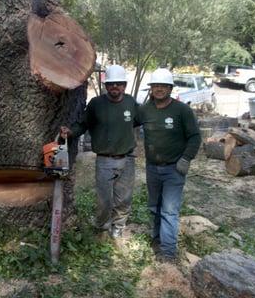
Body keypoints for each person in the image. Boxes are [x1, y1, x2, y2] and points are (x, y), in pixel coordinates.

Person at [61, 64, 138, 238]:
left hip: (127, 158)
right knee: (104, 199)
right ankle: (102, 225)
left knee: (123, 198)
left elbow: (139, 120)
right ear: (106, 86)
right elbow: (83, 124)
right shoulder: (96, 104)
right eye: (111, 84)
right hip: (104, 160)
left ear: (124, 85)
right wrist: (71, 132)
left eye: (119, 83)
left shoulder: (131, 102)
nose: (115, 87)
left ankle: (118, 226)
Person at [137, 68, 201, 262]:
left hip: (174, 169)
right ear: (151, 88)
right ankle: (156, 240)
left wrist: (186, 158)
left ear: (170, 88)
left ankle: (168, 253)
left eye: (163, 86)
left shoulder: (182, 110)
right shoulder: (145, 110)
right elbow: (125, 124)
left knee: (169, 211)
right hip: (152, 168)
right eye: (155, 85)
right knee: (154, 207)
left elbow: (195, 137)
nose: (159, 89)